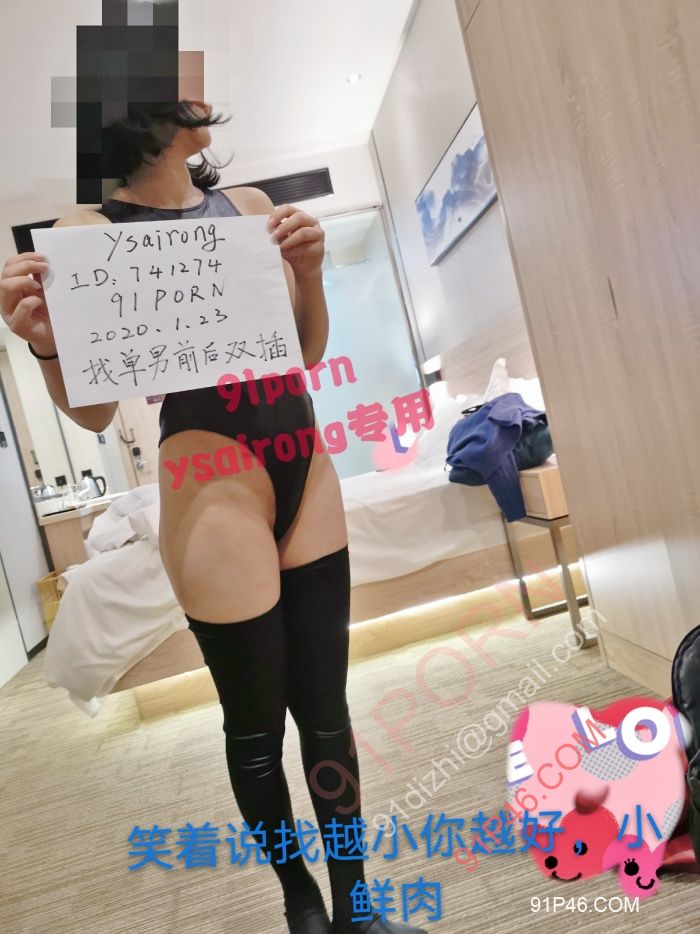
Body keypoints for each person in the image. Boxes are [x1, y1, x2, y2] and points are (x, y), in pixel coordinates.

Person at [0, 99, 426, 934]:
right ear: (140, 109)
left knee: (328, 710)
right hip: (206, 469)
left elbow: (304, 352)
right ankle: (302, 905)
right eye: (180, 84)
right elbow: (95, 414)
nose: (202, 97)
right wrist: (44, 344)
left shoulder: (252, 207)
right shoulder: (87, 230)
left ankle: (356, 908)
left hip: (302, 454)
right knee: (256, 724)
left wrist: (310, 272)